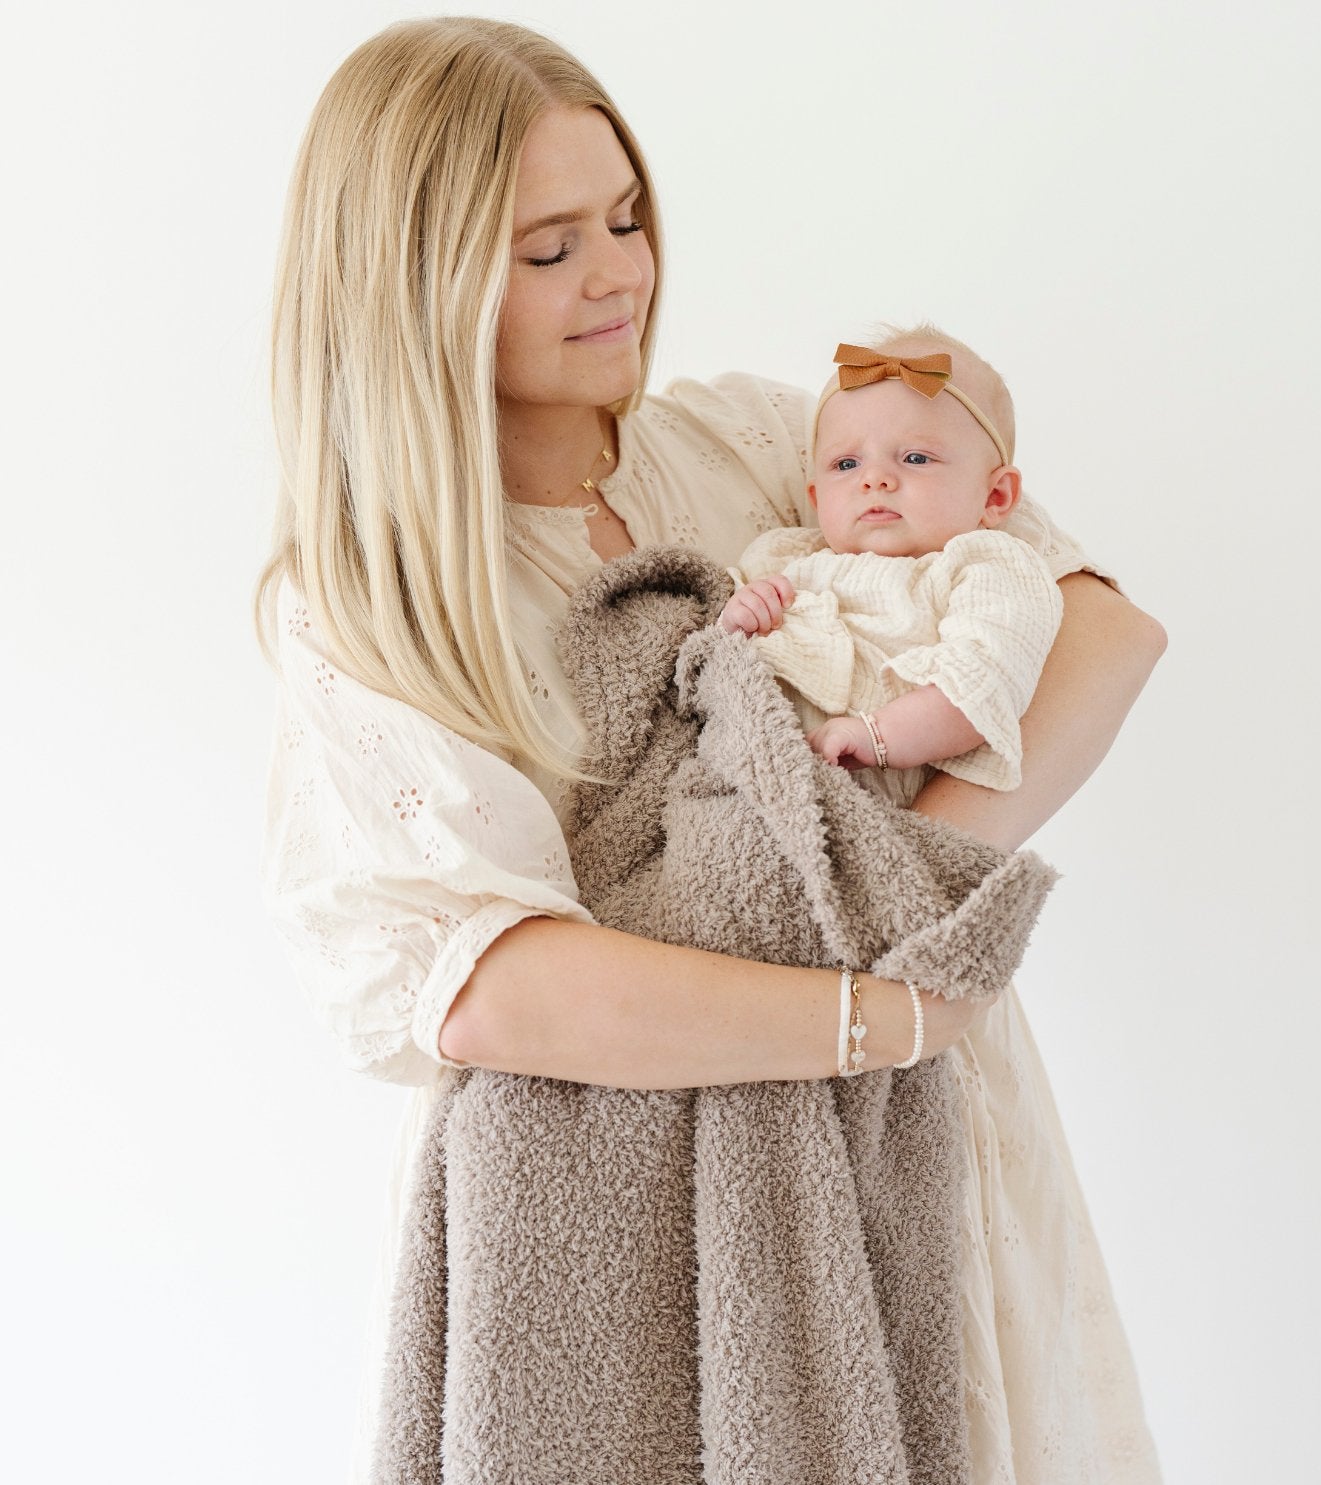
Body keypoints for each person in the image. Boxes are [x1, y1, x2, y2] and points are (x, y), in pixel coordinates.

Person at [256, 15, 1166, 1481]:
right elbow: (483, 987)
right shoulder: (375, 602)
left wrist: (897, 901)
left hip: (915, 1120)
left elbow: (1096, 631)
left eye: (625, 218)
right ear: (412, 282)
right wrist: (870, 1014)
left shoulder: (754, 442)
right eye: (549, 249)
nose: (620, 272)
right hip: (631, 1203)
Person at [721, 331, 1063, 811]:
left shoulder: (987, 569)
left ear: (995, 496)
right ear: (816, 497)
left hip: (876, 797)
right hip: (751, 777)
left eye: (915, 458)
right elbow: (718, 658)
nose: (874, 479)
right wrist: (741, 617)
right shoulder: (785, 561)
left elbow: (982, 683)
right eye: (846, 464)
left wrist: (877, 736)